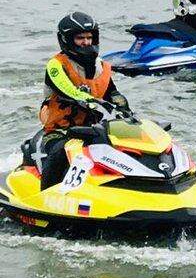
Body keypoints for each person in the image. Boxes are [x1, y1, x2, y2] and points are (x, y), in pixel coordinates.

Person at [37, 12, 131, 189]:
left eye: (89, 37)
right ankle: (46, 194)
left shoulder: (102, 66)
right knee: (60, 151)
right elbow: (68, 90)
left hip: (96, 129)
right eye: (80, 38)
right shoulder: (56, 65)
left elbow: (112, 92)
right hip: (60, 131)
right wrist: (90, 101)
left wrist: (121, 104)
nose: (86, 42)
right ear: (66, 40)